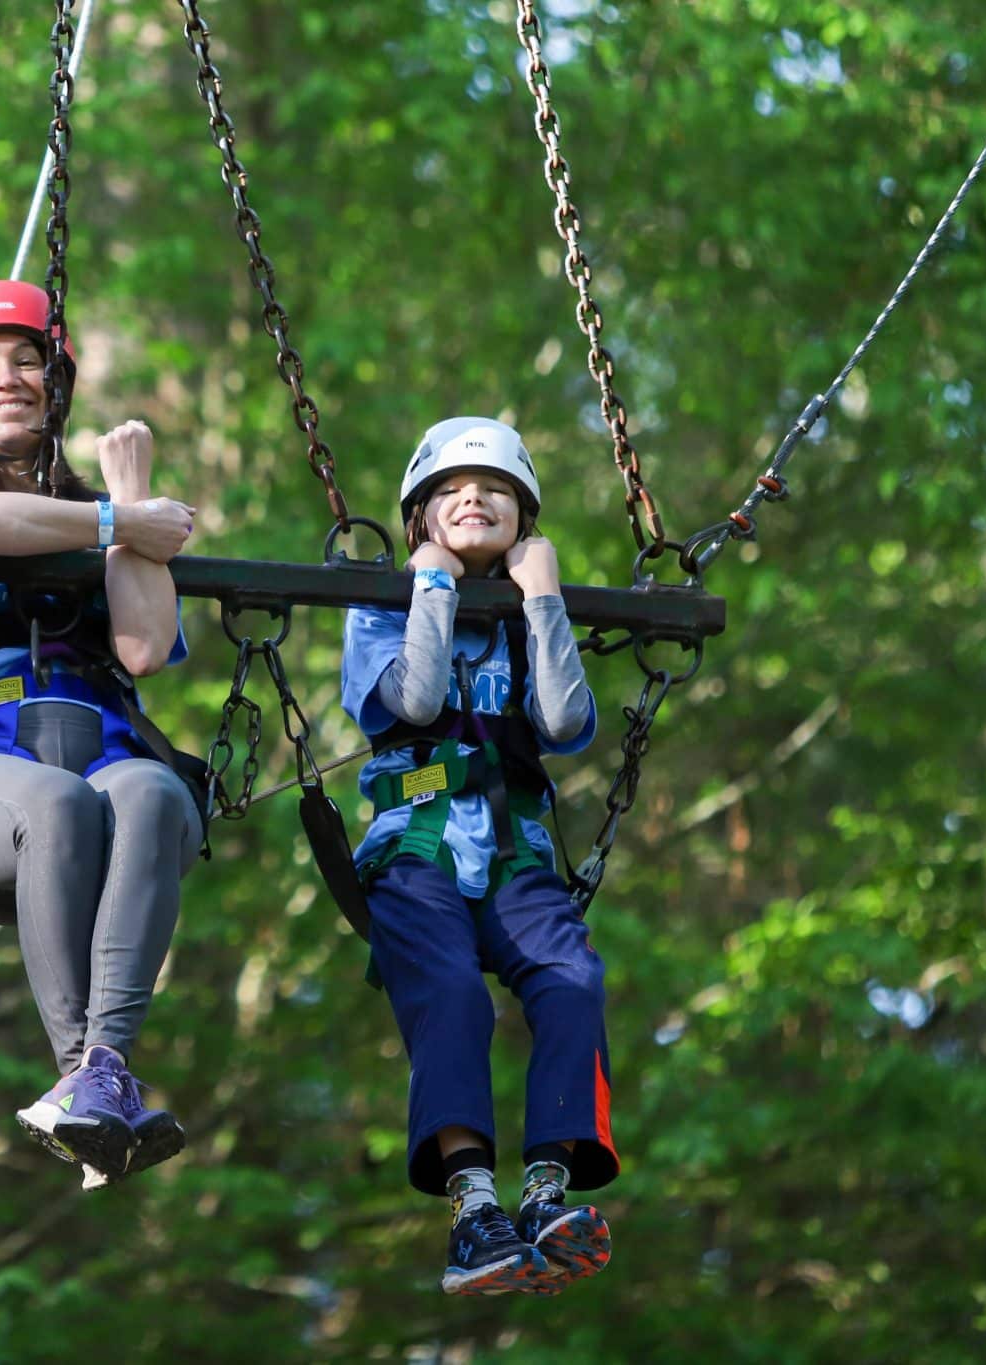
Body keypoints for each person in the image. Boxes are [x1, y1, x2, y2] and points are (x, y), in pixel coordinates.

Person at [0, 280, 204, 1190]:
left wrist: (129, 503)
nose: (6, 378)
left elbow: (140, 647)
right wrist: (118, 519)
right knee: (59, 805)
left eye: (26, 361)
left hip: (104, 741)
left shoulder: (114, 511)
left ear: (57, 383)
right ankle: (77, 1065)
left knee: (153, 790)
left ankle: (106, 1068)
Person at [339, 416, 614, 1296]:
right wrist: (429, 588)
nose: (474, 500)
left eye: (495, 492)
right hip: (414, 846)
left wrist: (543, 599)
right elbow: (415, 701)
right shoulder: (380, 609)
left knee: (572, 978)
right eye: (452, 493)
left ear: (525, 522)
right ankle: (473, 1202)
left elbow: (566, 723)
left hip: (514, 850)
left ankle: (546, 1187)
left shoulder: (533, 617)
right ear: (420, 517)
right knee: (453, 993)